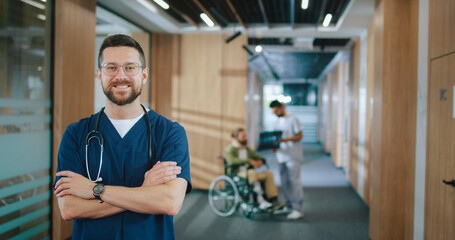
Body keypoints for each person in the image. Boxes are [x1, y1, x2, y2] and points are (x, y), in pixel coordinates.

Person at [53, 34, 191, 239]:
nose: (120, 76)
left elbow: (169, 202)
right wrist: (144, 191)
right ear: (99, 74)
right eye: (111, 67)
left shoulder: (170, 133)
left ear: (144, 75)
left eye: (130, 67)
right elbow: (70, 208)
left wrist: (94, 190)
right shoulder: (76, 134)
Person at [225, 128, 279, 210]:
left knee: (268, 173)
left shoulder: (246, 148)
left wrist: (261, 161)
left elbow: (256, 155)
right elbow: (232, 161)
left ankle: (272, 199)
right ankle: (260, 200)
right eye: (243, 136)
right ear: (236, 138)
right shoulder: (230, 149)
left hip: (248, 173)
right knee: (252, 173)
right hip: (237, 173)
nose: (245, 138)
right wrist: (250, 161)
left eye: (246, 136)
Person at [269, 100, 304, 220]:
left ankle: (297, 208)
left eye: (277, 110)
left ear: (283, 107)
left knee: (294, 182)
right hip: (281, 156)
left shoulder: (293, 119)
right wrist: (274, 146)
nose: (276, 113)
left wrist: (286, 140)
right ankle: (288, 206)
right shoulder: (277, 121)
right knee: (285, 182)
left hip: (293, 156)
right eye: (274, 112)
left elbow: (300, 135)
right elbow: (276, 138)